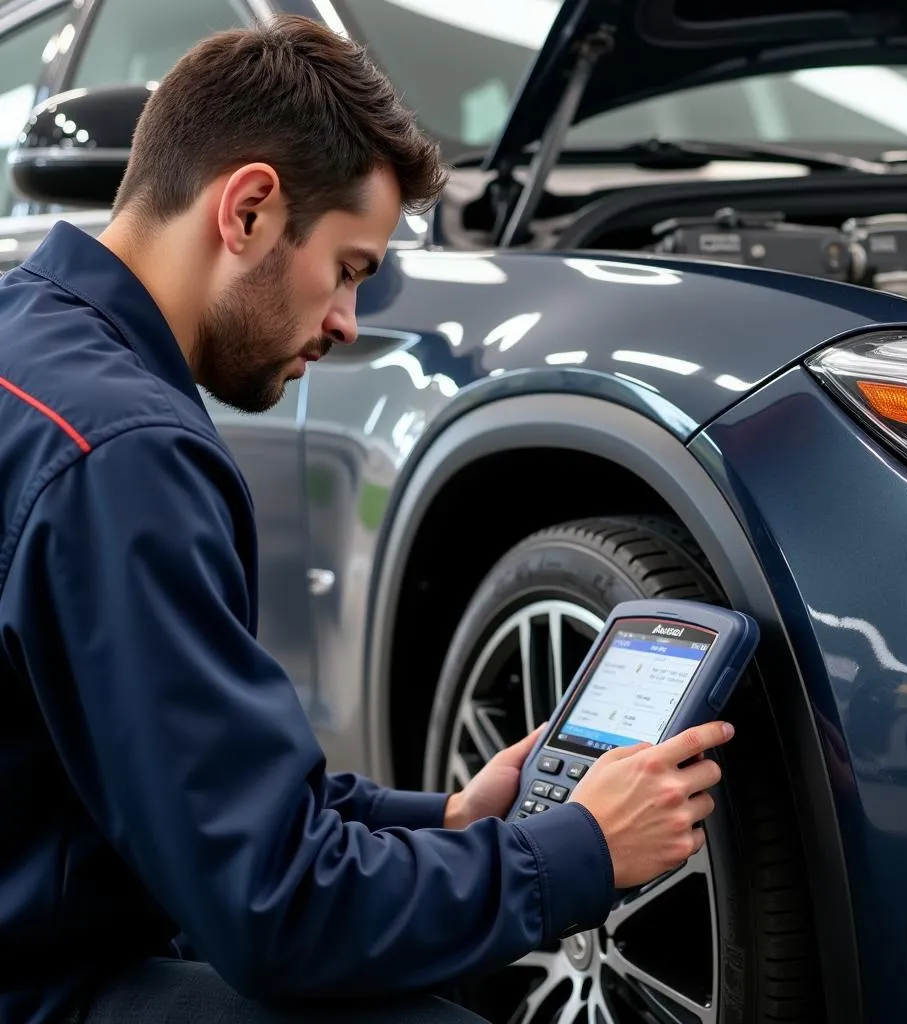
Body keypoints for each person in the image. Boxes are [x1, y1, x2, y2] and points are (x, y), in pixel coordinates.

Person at [0, 15, 736, 1024]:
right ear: (249, 209)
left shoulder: (30, 349)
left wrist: (447, 817)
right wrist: (570, 853)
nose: (347, 322)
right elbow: (274, 913)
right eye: (347, 268)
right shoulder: (123, 455)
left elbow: (190, 790)